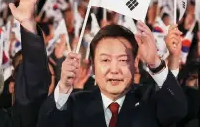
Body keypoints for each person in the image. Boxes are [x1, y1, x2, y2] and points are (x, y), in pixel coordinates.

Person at [37, 22, 187, 127]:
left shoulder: (150, 99)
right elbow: (46, 123)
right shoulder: (74, 103)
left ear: (135, 63)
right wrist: (63, 87)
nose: (114, 69)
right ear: (93, 66)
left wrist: (156, 63)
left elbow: (177, 111)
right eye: (105, 60)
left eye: (122, 60)